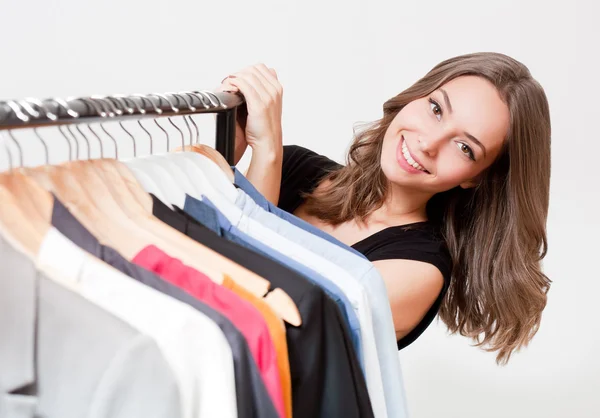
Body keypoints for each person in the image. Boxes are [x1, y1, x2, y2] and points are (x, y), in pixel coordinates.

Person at [217, 52, 551, 364]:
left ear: (476, 178)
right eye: (436, 109)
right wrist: (221, 150)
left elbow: (251, 314)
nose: (428, 144)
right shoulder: (293, 167)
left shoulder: (418, 271)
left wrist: (266, 152)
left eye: (464, 147)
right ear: (415, 96)